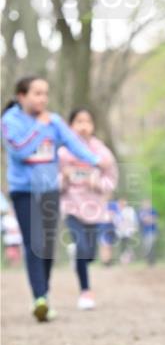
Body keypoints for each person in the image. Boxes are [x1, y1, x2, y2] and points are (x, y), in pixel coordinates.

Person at [1, 75, 103, 321]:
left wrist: (97, 162)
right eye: (37, 93)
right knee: (33, 243)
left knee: (46, 245)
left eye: (45, 94)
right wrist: (40, 127)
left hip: (49, 189)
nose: (43, 99)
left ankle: (43, 294)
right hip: (24, 190)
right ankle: (40, 298)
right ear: (21, 96)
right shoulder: (9, 121)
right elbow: (20, 151)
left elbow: (73, 144)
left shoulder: (55, 121)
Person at [59, 108, 118, 309]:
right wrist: (64, 179)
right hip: (71, 207)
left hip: (95, 210)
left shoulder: (101, 152)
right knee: (83, 249)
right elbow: (50, 182)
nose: (84, 126)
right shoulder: (63, 153)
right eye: (78, 122)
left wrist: (98, 183)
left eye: (88, 122)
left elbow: (111, 180)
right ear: (70, 126)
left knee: (90, 254)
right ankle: (86, 291)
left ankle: (78, 254)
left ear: (93, 126)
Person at [138, 199, 160, 265]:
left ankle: (152, 261)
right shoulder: (141, 211)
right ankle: (148, 260)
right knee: (146, 246)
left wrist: (148, 219)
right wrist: (149, 219)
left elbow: (154, 220)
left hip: (152, 231)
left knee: (151, 245)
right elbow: (141, 220)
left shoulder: (153, 210)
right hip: (145, 232)